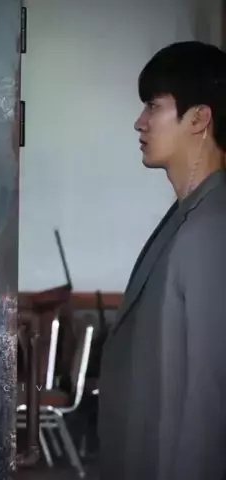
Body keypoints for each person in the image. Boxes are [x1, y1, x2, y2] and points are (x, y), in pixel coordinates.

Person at [98, 41, 226, 480]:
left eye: (154, 106)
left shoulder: (213, 226)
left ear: (199, 118)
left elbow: (210, 397)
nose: (140, 121)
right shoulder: (190, 213)